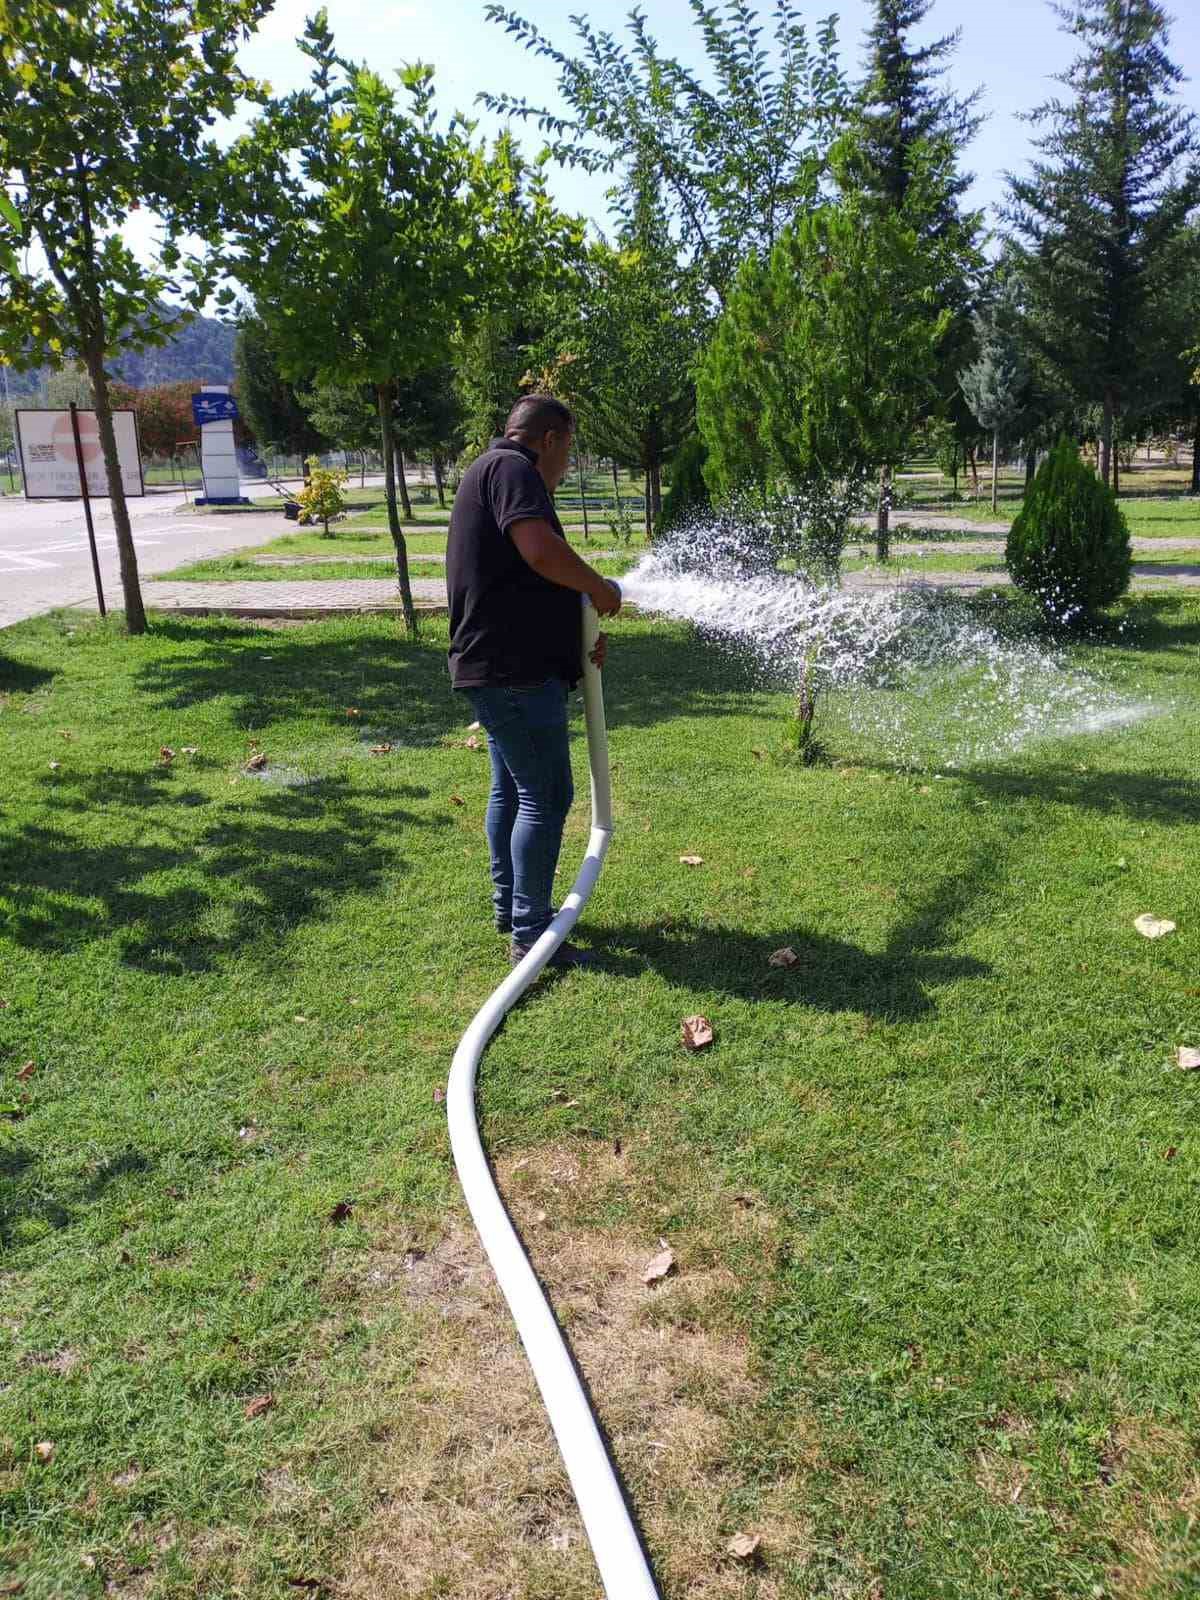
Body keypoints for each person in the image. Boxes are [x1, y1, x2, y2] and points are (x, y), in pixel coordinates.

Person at [446, 395, 621, 968]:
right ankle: (531, 933)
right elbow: (540, 550)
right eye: (568, 447)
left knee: (513, 791)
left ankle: (512, 910)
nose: (568, 462)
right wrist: (598, 588)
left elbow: (521, 578)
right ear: (549, 439)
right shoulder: (513, 469)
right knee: (547, 795)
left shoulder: (490, 469)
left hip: (502, 665)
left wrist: (576, 625)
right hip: (512, 672)